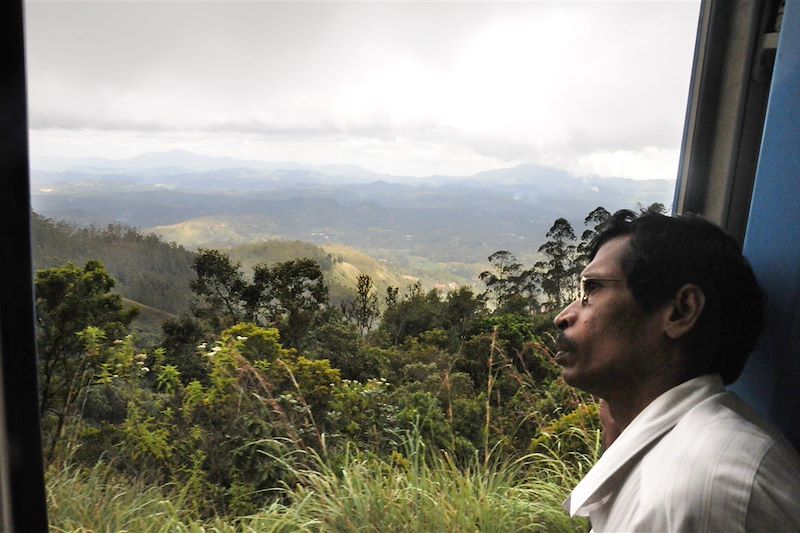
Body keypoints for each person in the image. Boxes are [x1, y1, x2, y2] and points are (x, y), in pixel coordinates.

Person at [553, 209, 800, 532]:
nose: (563, 316)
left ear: (681, 312)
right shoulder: (678, 462)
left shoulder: (707, 487)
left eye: (593, 289)